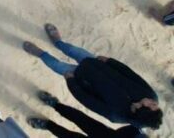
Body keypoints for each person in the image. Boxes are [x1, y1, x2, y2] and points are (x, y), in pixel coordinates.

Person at [22, 23, 162, 130]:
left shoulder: (116, 115)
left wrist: (71, 82)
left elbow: (87, 100)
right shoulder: (151, 95)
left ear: (138, 109)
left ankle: (40, 53)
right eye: (155, 104)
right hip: (96, 64)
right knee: (71, 50)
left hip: (80, 78)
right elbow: (131, 74)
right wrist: (110, 61)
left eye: (151, 105)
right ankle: (58, 42)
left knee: (55, 65)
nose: (153, 101)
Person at [29, 91, 143, 137]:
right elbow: (132, 130)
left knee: (67, 137)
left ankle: (47, 125)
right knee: (80, 119)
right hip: (106, 136)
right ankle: (55, 104)